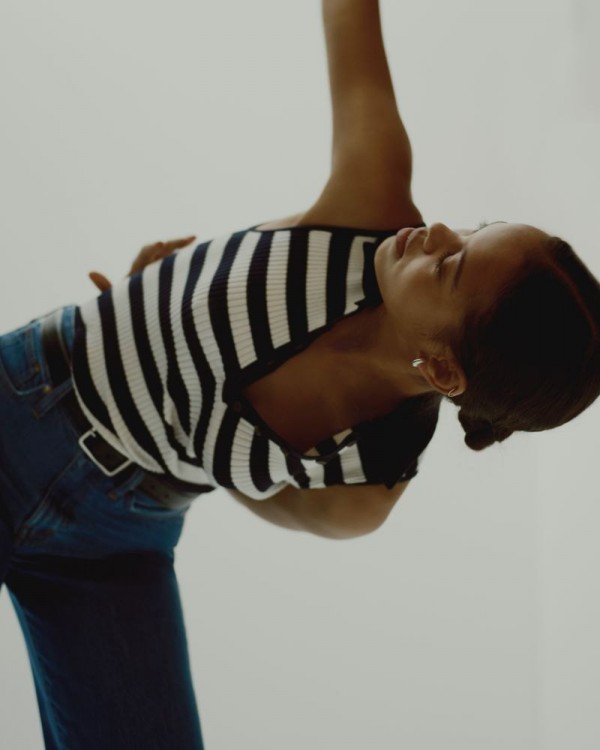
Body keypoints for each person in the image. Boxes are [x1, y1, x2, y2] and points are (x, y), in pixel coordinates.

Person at [1, 1, 599, 748]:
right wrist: (157, 308)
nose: (438, 231)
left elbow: (222, 469)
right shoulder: (370, 207)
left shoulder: (363, 485)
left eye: (450, 266)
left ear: (445, 370)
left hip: (116, 540)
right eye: (474, 227)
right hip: (23, 411)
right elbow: (348, 14)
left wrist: (172, 353)